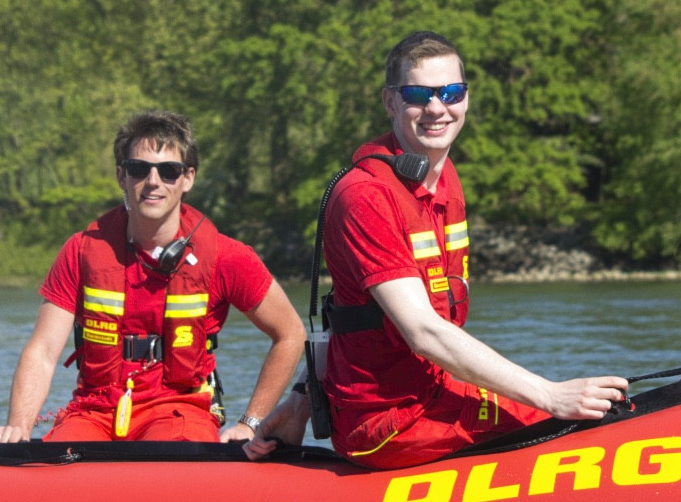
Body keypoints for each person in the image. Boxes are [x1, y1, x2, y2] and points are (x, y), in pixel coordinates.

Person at [247, 31, 628, 468]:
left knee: (608, 416)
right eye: (417, 94)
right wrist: (551, 394)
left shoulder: (445, 179)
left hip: (437, 390)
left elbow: (352, 317)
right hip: (386, 422)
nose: (436, 108)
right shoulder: (365, 196)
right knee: (560, 422)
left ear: (465, 98)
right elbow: (423, 331)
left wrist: (299, 397)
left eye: (451, 92)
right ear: (390, 101)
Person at [0, 111, 306, 444]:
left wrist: (250, 423)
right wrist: (19, 427)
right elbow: (43, 350)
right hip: (94, 411)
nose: (153, 181)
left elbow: (290, 334)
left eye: (169, 171)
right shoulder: (81, 251)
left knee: (172, 468)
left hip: (180, 410)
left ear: (188, 178)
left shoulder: (227, 256)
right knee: (56, 474)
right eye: (139, 169)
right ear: (121, 176)